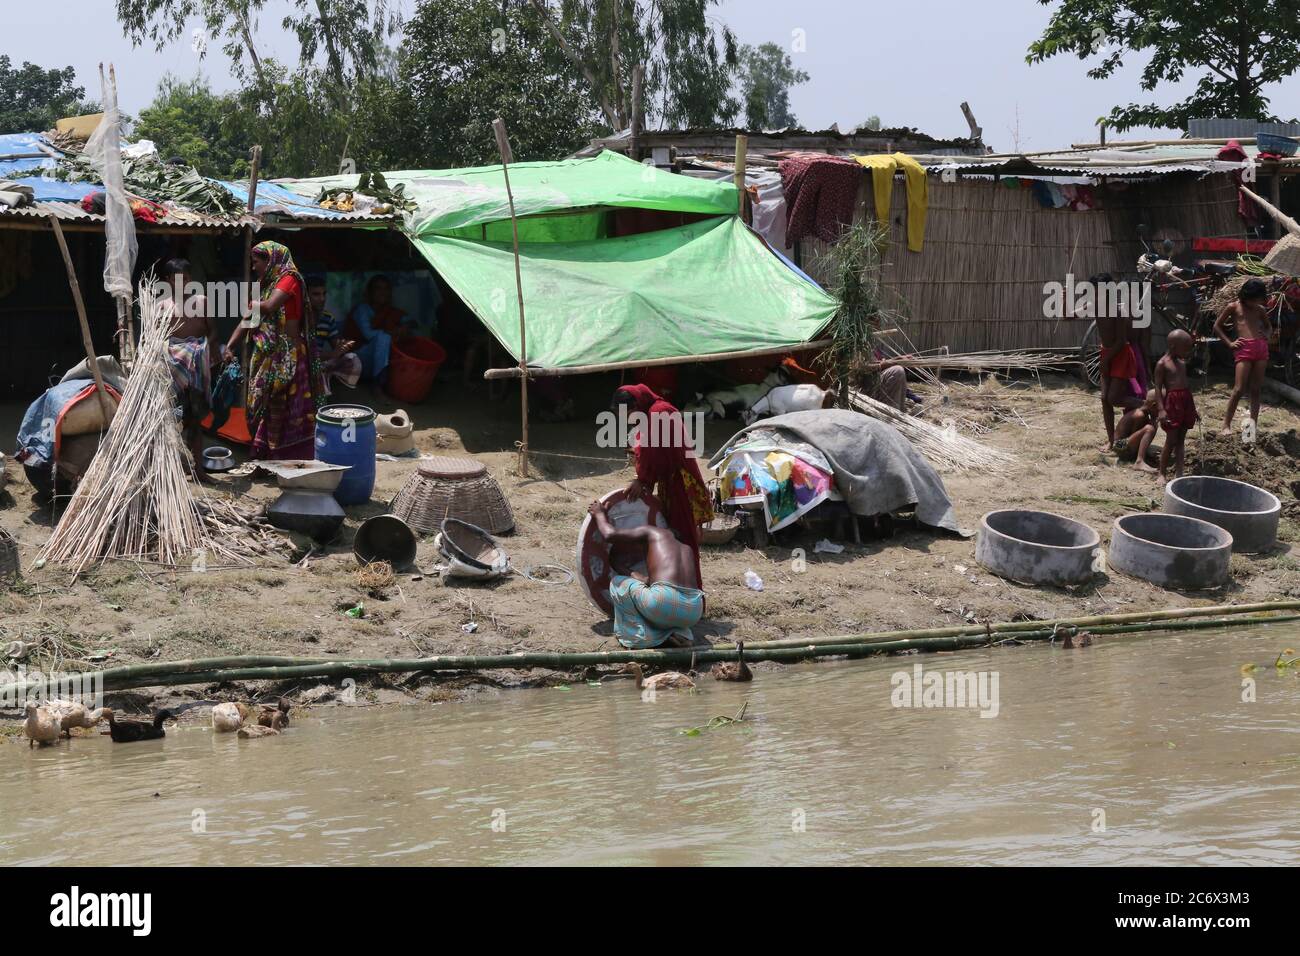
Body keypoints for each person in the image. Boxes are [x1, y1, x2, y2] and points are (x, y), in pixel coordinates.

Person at [223, 241, 325, 460]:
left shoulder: (290, 279)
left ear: (271, 260)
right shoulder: (266, 285)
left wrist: (250, 304)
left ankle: (284, 457)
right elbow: (250, 320)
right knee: (262, 404)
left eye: (256, 261)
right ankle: (265, 455)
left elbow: (268, 307)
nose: (253, 267)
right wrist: (230, 345)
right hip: (268, 355)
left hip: (289, 356)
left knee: (285, 407)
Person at [612, 384, 714, 589]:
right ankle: (675, 590)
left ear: (636, 405)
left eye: (628, 413)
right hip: (670, 483)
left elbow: (653, 451)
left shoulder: (660, 413)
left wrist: (642, 480)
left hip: (681, 485)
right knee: (674, 535)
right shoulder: (652, 413)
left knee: (684, 541)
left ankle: (691, 596)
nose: (628, 419)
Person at [588, 499, 705, 648]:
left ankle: (642, 636)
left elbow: (610, 535)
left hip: (663, 602)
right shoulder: (686, 549)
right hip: (694, 610)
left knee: (617, 583)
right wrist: (633, 573)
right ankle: (679, 634)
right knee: (665, 610)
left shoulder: (652, 531)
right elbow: (655, 582)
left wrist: (599, 514)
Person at [158, 258, 215, 471]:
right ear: (168, 280)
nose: (183, 283)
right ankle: (174, 471)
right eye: (178, 279)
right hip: (172, 368)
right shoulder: (162, 305)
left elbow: (212, 331)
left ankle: (199, 469)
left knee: (195, 417)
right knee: (172, 418)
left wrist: (205, 349)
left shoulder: (201, 301)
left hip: (197, 366)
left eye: (187, 278)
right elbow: (156, 337)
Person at [1216, 278, 1272, 437]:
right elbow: (1217, 326)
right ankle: (1226, 425)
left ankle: (1251, 428)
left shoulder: (1260, 309)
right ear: (1245, 295)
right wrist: (1229, 343)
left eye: (1258, 300)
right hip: (1243, 349)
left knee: (1255, 389)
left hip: (1261, 349)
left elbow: (1268, 327)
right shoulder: (1233, 307)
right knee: (1239, 389)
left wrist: (1266, 335)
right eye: (1252, 300)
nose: (1255, 303)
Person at [1096, 286, 1141, 451]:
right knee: (1104, 398)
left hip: (1120, 354)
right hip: (1106, 353)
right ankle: (1111, 440)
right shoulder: (1094, 305)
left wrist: (1105, 361)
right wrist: (1064, 297)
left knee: (1113, 398)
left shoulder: (1118, 311)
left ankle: (1145, 405)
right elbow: (1068, 316)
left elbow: (1121, 340)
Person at [346, 274, 412, 383]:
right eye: (378, 288)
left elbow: (409, 321)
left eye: (386, 289)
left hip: (376, 364)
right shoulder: (362, 309)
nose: (383, 292)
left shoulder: (390, 311)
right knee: (384, 338)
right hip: (355, 364)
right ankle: (377, 386)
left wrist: (405, 327)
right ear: (370, 292)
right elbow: (368, 334)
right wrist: (392, 332)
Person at [306, 274, 361, 395]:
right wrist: (332, 354)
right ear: (305, 296)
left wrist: (342, 347)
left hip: (321, 361)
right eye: (316, 294)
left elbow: (335, 345)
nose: (322, 298)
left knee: (353, 359)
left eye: (324, 294)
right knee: (316, 368)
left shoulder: (327, 318)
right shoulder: (298, 319)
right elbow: (304, 354)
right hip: (304, 363)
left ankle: (341, 396)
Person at [1155, 329, 1198, 479]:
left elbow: (1186, 385)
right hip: (1172, 403)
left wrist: (1193, 409)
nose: (1188, 352)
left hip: (1186, 401)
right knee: (1171, 440)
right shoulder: (1162, 364)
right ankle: (1162, 472)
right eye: (1186, 348)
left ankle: (1179, 473)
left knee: (1181, 440)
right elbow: (1158, 388)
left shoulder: (1182, 362)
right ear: (1173, 346)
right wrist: (1161, 409)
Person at [1112, 389, 1159, 474]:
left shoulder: (1145, 412)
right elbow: (1134, 434)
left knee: (1152, 426)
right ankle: (1139, 462)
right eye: (1162, 408)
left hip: (1127, 444)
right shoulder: (1139, 415)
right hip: (1119, 446)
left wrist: (1153, 419)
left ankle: (1141, 457)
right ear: (1154, 405)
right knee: (1149, 429)